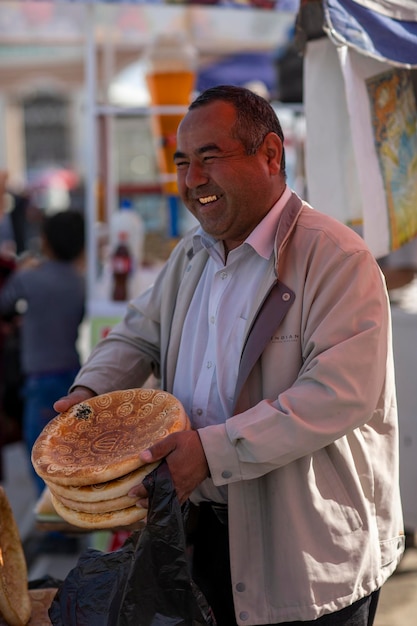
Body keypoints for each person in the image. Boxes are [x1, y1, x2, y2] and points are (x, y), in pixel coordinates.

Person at [54, 86, 404, 625]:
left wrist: (211, 452)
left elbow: (337, 396)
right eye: (183, 163)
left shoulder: (336, 259)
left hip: (308, 561)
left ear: (270, 154)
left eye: (210, 158)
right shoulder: (190, 254)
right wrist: (87, 396)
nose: (193, 180)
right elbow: (137, 333)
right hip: (203, 539)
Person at [0, 209, 85, 496]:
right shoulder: (80, 281)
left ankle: (51, 525)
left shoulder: (30, 279)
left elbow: (4, 303)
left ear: (46, 242)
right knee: (68, 453)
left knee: (40, 457)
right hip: (74, 375)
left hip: (38, 379)